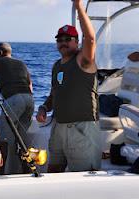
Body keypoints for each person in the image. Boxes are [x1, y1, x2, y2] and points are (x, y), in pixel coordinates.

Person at [36, 0, 101, 172]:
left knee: (83, 179)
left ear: (77, 41)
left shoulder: (83, 61)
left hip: (81, 129)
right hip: (58, 127)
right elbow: (54, 95)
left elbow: (91, 38)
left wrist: (79, 7)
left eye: (68, 39)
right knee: (53, 172)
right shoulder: (57, 66)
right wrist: (43, 107)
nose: (63, 42)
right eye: (60, 39)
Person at [0, 42, 34, 174]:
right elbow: (30, 86)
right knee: (22, 141)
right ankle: (27, 171)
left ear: (0, 53)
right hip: (30, 101)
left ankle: (0, 172)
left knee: (4, 141)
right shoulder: (22, 64)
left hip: (13, 100)